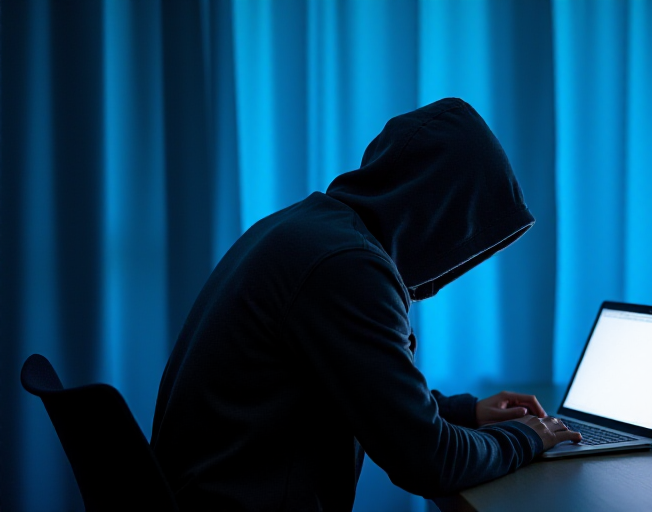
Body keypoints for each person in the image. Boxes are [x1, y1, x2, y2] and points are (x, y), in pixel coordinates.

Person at [150, 98, 581, 510]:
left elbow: (358, 387)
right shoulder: (348, 266)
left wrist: (465, 412)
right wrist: (528, 438)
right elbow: (431, 461)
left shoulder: (302, 230)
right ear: (438, 209)